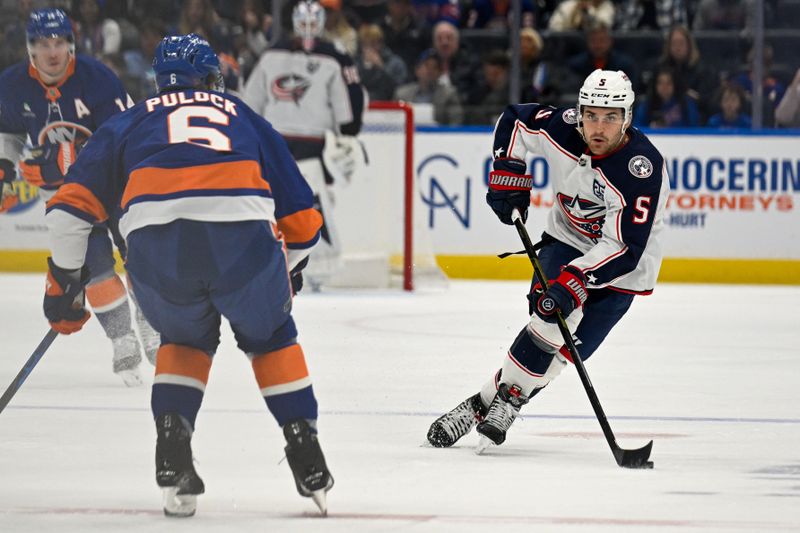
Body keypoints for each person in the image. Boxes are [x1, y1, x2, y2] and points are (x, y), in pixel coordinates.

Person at [41, 34, 334, 517]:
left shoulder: (129, 120)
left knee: (182, 339)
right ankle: (304, 445)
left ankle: (173, 446)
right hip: (244, 244)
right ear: (210, 80)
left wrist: (63, 282)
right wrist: (286, 270)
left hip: (158, 253)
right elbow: (304, 226)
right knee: (272, 337)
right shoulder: (246, 118)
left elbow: (68, 215)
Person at [427, 69, 669, 451]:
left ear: (628, 117)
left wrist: (576, 279)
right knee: (552, 316)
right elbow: (515, 120)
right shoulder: (563, 129)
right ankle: (508, 401)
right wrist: (509, 170)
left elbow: (624, 247)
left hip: (625, 268)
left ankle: (480, 405)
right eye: (591, 115)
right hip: (567, 240)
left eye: (611, 117)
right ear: (579, 112)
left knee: (569, 350)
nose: (599, 127)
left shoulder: (641, 169)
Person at [0, 8, 159, 386]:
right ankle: (122, 338)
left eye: (59, 43)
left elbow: (123, 141)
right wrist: (5, 167)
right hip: (68, 197)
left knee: (140, 257)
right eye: (42, 44)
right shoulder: (11, 85)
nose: (52, 53)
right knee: (95, 269)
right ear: (29, 49)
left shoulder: (99, 80)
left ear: (72, 46)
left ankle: (150, 320)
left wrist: (64, 157)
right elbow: (8, 133)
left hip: (117, 185)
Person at [242, 0, 366, 290]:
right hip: (276, 141)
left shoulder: (334, 58)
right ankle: (286, 265)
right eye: (303, 23)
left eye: (313, 23)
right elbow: (251, 103)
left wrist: (347, 133)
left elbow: (348, 108)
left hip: (310, 145)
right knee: (279, 205)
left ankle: (318, 267)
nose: (308, 29)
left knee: (309, 202)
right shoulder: (273, 56)